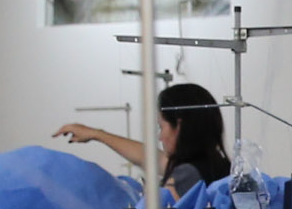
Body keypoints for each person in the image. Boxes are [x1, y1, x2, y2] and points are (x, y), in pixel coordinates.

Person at [53, 81, 229, 197]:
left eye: (162, 127)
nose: (160, 136)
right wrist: (97, 134)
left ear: (179, 126)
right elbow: (150, 157)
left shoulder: (185, 175)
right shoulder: (218, 165)